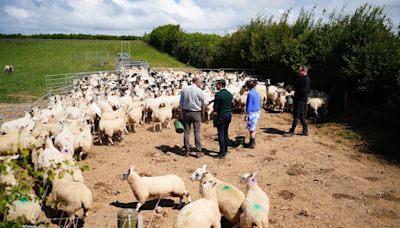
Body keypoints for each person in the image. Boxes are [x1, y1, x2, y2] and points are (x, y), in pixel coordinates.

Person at [179, 75, 206, 157]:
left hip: (186, 112)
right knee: (197, 132)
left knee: (186, 131)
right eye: (200, 82)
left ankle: (187, 151)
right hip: (196, 113)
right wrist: (203, 114)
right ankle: (198, 151)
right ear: (197, 81)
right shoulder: (199, 91)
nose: (201, 84)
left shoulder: (185, 90)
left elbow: (181, 104)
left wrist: (181, 114)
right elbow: (203, 104)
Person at [284, 65, 311, 137]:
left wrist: (295, 93)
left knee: (296, 115)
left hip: (301, 101)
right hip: (299, 99)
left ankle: (292, 131)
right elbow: (298, 87)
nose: (298, 72)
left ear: (303, 71)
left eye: (299, 71)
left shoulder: (306, 80)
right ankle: (305, 130)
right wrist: (291, 89)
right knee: (301, 116)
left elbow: (304, 91)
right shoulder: (302, 78)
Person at [213, 79, 233, 159]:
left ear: (220, 85)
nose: (216, 86)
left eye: (216, 85)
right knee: (225, 133)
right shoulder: (229, 94)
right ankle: (225, 150)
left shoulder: (218, 95)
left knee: (220, 134)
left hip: (221, 115)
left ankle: (222, 153)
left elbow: (215, 107)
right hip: (228, 115)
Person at [244, 80, 261, 148]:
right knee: (253, 128)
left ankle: (252, 143)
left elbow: (249, 105)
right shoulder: (256, 93)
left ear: (247, 86)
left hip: (252, 113)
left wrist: (247, 115)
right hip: (257, 111)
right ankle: (252, 141)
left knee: (251, 129)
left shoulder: (250, 94)